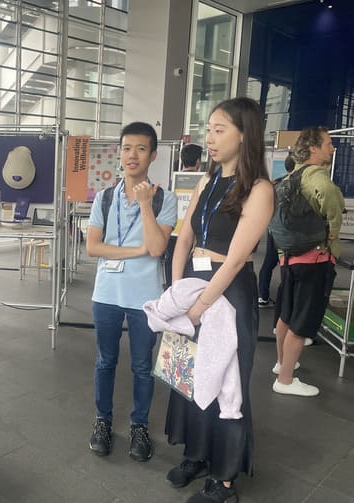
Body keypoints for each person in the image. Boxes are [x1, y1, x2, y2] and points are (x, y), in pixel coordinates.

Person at [165, 97, 274, 503]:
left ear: (244, 135)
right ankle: (197, 453)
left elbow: (233, 263)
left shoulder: (259, 190)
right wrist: (178, 293)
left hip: (228, 293)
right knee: (193, 375)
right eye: (208, 128)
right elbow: (183, 239)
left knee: (228, 381)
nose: (208, 138)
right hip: (194, 284)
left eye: (218, 129)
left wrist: (197, 305)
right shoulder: (206, 182)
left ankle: (225, 478)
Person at [86, 122, 177, 461]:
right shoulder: (105, 197)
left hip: (145, 296)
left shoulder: (164, 199)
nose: (132, 155)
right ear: (119, 152)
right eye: (126, 148)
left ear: (153, 154)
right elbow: (93, 247)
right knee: (104, 361)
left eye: (140, 148)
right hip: (106, 292)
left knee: (141, 365)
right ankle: (102, 421)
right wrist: (134, 251)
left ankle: (139, 425)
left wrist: (144, 205)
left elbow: (156, 247)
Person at [273, 127, 343, 397]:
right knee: (302, 323)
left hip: (290, 258)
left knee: (286, 316)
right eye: (328, 143)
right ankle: (287, 380)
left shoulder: (289, 177)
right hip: (315, 259)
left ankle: (282, 364)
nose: (332, 147)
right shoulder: (320, 181)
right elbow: (333, 217)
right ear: (313, 148)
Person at [257, 153, 295, 309]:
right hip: (287, 233)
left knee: (268, 263)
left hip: (273, 230)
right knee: (287, 267)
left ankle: (262, 296)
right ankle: (285, 304)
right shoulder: (295, 185)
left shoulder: (275, 183)